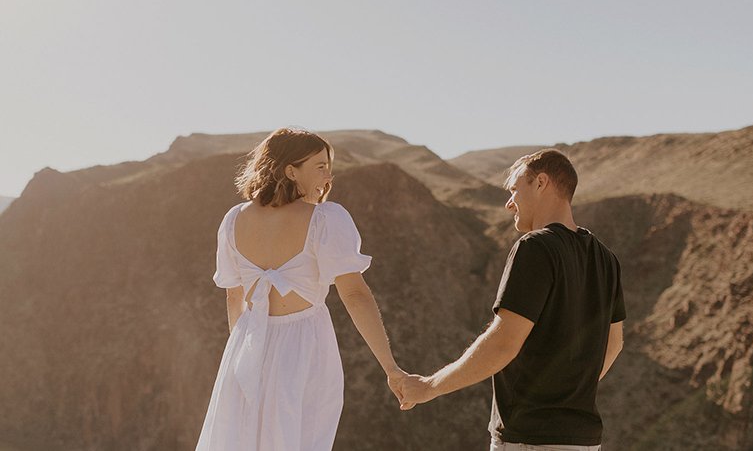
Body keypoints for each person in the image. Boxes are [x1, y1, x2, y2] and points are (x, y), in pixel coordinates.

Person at [396, 149, 625, 450]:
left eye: (515, 189)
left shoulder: (535, 247)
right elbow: (615, 343)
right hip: (584, 442)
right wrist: (569, 391)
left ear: (541, 182)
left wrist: (428, 387)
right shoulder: (605, 258)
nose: (508, 204)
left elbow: (502, 344)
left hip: (529, 440)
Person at [197, 127, 405, 451]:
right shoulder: (326, 218)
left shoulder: (233, 220)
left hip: (247, 342)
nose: (329, 174)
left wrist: (244, 358)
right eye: (320, 166)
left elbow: (234, 296)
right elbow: (355, 295)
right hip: (304, 347)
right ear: (290, 170)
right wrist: (391, 368)